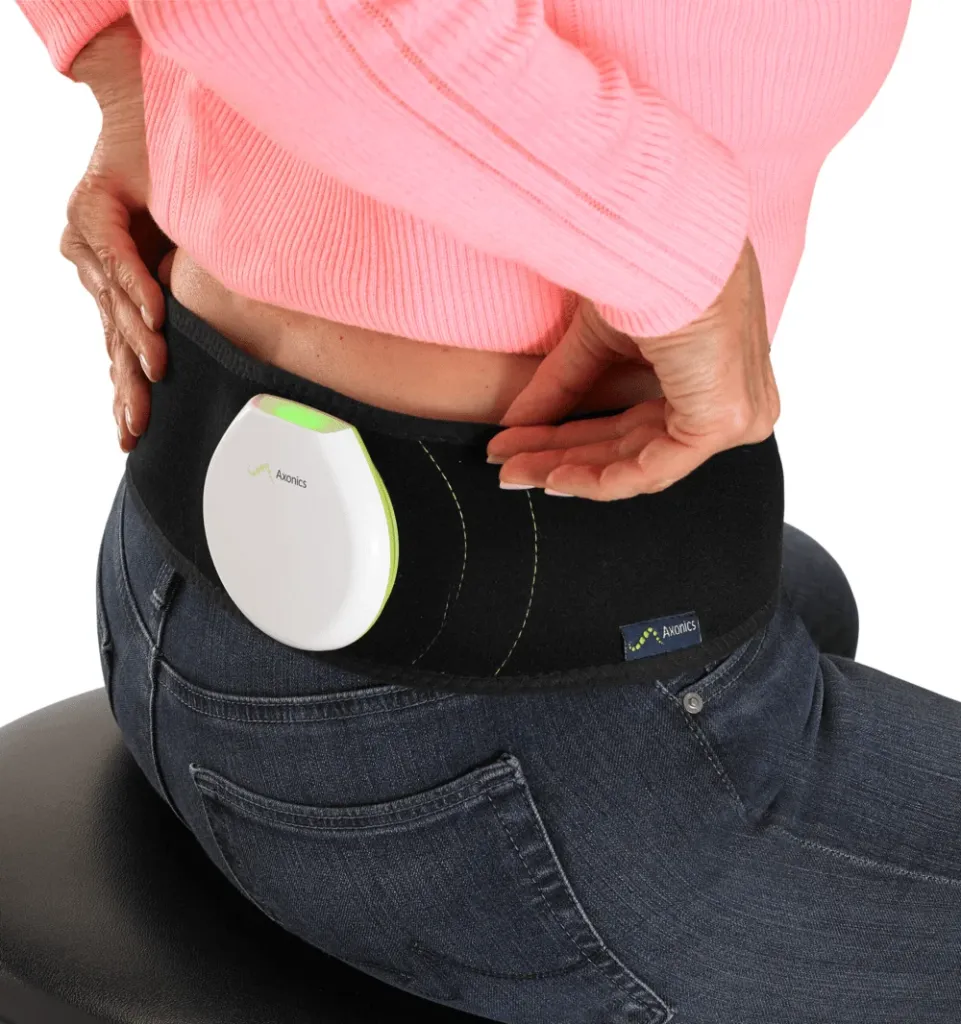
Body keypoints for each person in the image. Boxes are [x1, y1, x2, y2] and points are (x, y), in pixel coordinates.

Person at [16, 3, 961, 1023]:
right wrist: (673, 251)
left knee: (808, 591)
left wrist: (115, 52)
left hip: (173, 571)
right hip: (458, 719)